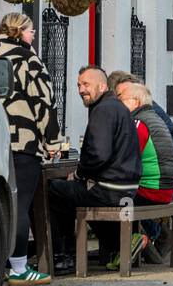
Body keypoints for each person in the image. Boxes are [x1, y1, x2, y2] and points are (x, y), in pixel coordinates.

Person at [0, 13, 61, 286]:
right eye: (31, 30)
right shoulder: (27, 57)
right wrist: (53, 142)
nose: (34, 35)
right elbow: (43, 102)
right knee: (20, 204)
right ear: (19, 30)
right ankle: (19, 267)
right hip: (23, 140)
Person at [48, 66, 143, 274]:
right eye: (79, 85)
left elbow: (99, 154)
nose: (81, 89)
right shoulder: (117, 107)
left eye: (86, 84)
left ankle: (62, 257)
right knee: (72, 191)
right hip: (126, 188)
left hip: (110, 190)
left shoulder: (103, 110)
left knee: (53, 190)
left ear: (102, 85)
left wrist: (80, 173)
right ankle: (112, 248)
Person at [115, 80, 173, 267]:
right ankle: (151, 235)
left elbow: (127, 156)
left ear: (135, 102)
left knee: (107, 199)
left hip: (152, 190)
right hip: (166, 188)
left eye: (121, 99)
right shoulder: (155, 118)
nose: (118, 105)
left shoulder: (138, 122)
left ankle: (124, 247)